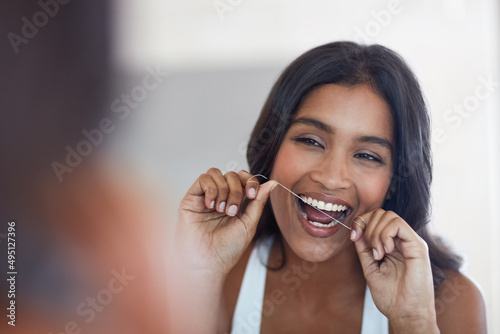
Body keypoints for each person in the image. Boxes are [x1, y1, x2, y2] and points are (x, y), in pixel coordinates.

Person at [175, 41, 486, 333]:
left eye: (367, 155)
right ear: (270, 151)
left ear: (395, 181)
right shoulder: (223, 277)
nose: (332, 178)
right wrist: (197, 277)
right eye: (310, 141)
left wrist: (413, 323)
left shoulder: (449, 305)